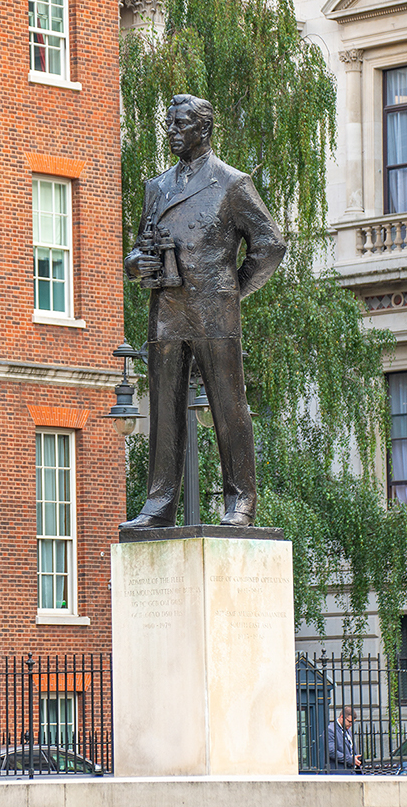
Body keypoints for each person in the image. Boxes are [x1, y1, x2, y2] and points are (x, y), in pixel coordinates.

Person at [120, 94, 286, 530]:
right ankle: (159, 504)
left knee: (229, 406)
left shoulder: (231, 183)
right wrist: (135, 263)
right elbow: (141, 245)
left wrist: (232, 289)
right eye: (169, 124)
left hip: (214, 312)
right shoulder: (157, 187)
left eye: (180, 124)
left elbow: (270, 245)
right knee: (164, 409)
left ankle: (241, 501)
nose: (171, 132)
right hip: (168, 311)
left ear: (203, 129)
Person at [328, 706, 361, 772]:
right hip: (339, 772)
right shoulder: (331, 730)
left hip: (351, 771)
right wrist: (350, 760)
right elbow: (331, 752)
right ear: (342, 717)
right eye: (349, 721)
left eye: (353, 722)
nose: (351, 724)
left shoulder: (348, 730)